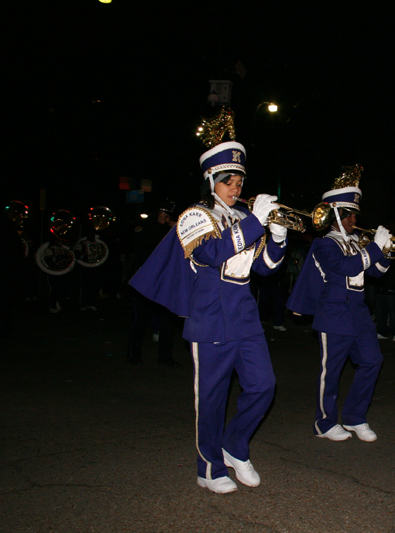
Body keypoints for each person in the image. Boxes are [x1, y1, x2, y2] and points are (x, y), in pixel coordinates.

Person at [130, 116, 286, 494]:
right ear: (210, 181)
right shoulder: (194, 216)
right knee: (212, 399)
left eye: (239, 182)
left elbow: (264, 268)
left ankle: (234, 446)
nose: (235, 188)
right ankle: (208, 467)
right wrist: (255, 223)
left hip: (245, 318)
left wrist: (278, 238)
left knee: (264, 385)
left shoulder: (243, 218)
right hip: (211, 320)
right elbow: (212, 253)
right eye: (227, 182)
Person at [286, 165, 392, 442]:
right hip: (333, 314)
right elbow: (346, 267)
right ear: (336, 215)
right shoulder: (324, 244)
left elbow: (375, 272)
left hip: (358, 314)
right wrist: (375, 248)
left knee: (372, 361)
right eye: (349, 214)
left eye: (355, 214)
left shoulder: (358, 241)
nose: (354, 219)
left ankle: (356, 417)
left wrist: (387, 252)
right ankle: (324, 422)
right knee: (330, 372)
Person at [127, 200, 179, 367]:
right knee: (141, 320)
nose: (165, 218)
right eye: (163, 215)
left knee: (168, 322)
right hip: (146, 281)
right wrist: (165, 228)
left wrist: (175, 230)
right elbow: (144, 246)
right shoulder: (146, 227)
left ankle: (165, 357)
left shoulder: (172, 230)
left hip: (165, 281)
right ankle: (134, 356)